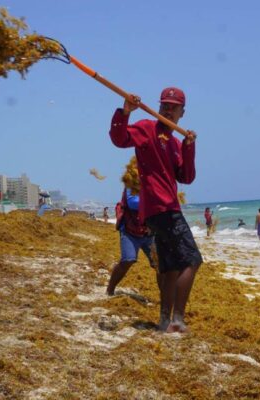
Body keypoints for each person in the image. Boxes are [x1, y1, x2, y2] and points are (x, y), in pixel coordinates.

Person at [109, 87, 201, 333]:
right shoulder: (148, 128)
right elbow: (119, 139)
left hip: (157, 213)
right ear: (159, 106)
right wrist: (125, 112)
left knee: (170, 267)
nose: (168, 109)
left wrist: (189, 147)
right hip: (163, 210)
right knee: (192, 260)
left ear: (182, 112)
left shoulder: (174, 142)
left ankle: (164, 321)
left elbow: (186, 177)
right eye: (165, 105)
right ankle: (178, 320)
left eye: (174, 106)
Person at [107, 189, 159, 296]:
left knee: (159, 264)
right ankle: (110, 290)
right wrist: (157, 201)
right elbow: (133, 203)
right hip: (129, 231)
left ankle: (165, 298)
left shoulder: (154, 182)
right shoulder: (131, 180)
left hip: (149, 232)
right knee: (128, 260)